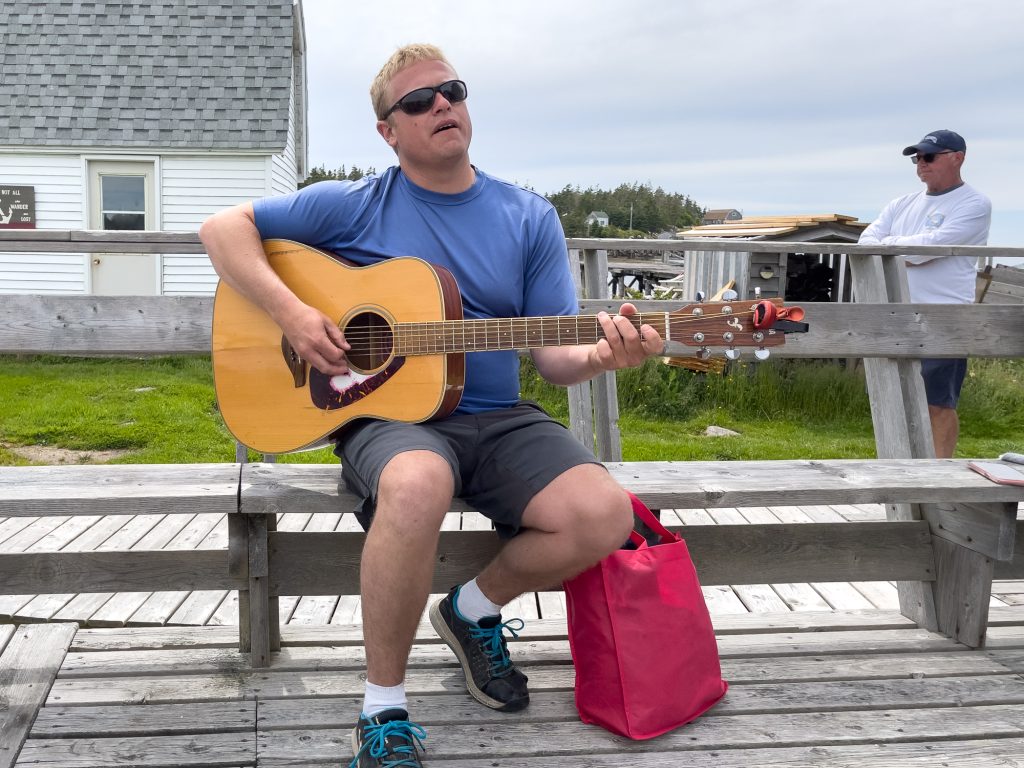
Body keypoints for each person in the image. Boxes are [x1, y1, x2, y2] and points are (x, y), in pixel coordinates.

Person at [199, 43, 664, 767]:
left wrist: (604, 354)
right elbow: (221, 229)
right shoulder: (354, 203)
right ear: (389, 130)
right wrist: (292, 314)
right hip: (389, 416)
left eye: (451, 90)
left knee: (605, 513)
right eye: (418, 101)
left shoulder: (528, 217)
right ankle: (383, 706)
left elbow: (555, 358)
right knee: (418, 482)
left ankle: (472, 610)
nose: (441, 105)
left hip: (498, 418)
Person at [858, 129, 991, 458]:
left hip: (944, 317)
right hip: (898, 314)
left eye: (929, 156)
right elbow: (865, 243)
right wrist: (905, 251)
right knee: (896, 399)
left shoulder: (974, 204)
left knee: (937, 403)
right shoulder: (901, 203)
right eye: (917, 158)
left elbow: (923, 251)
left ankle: (938, 479)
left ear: (957, 158)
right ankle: (902, 471)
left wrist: (894, 252)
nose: (921, 164)